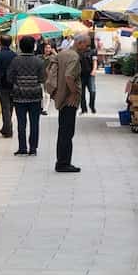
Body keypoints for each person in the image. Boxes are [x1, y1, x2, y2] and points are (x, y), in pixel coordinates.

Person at [51, 32, 87, 173]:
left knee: (63, 131)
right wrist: (73, 93)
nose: (87, 47)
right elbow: (69, 76)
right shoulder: (74, 56)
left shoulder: (62, 54)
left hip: (61, 97)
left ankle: (61, 161)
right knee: (67, 132)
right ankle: (63, 163)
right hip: (69, 99)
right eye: (86, 44)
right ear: (79, 43)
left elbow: (50, 71)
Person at [8, 36, 46, 155]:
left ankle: (22, 148)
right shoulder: (39, 61)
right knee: (34, 123)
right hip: (35, 95)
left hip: (19, 95)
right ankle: (33, 148)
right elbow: (43, 78)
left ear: (21, 47)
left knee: (21, 123)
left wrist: (18, 82)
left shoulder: (15, 60)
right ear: (33, 47)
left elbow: (9, 77)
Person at [0, 35, 16, 137]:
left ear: (1, 43)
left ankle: (8, 129)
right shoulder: (14, 55)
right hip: (13, 84)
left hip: (2, 84)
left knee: (5, 107)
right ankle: (6, 127)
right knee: (10, 107)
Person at [79, 37, 98, 114]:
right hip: (81, 74)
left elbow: (95, 61)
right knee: (81, 93)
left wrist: (94, 69)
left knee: (92, 91)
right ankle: (83, 109)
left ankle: (91, 105)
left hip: (90, 74)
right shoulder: (79, 51)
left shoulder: (93, 51)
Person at [41, 40, 57, 115]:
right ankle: (42, 107)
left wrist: (55, 53)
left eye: (49, 48)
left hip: (49, 79)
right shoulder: (40, 57)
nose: (47, 49)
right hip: (41, 78)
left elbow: (60, 60)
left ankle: (45, 109)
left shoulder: (53, 57)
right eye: (46, 48)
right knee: (42, 94)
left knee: (47, 94)